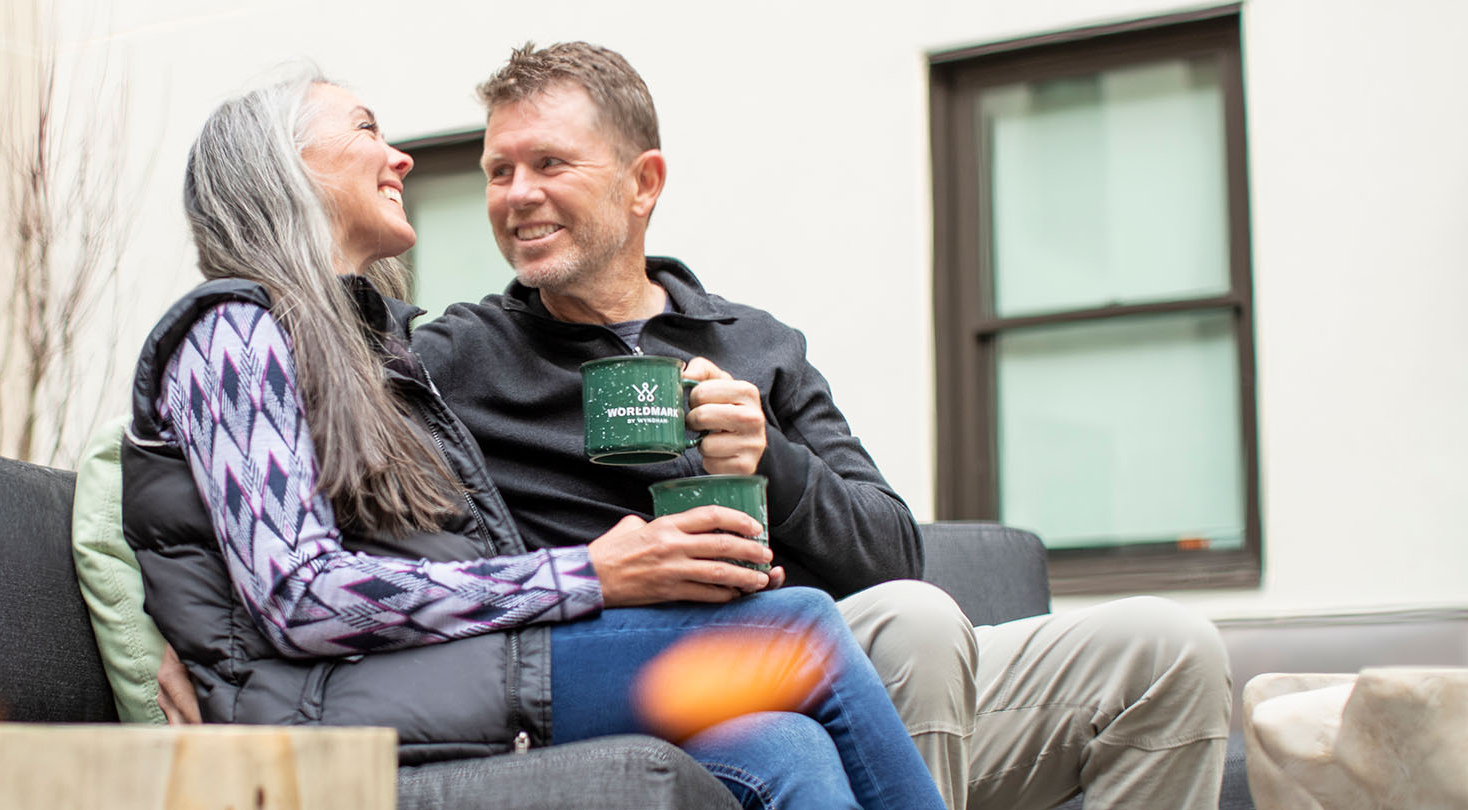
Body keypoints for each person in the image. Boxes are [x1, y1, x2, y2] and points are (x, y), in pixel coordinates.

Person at [410, 42, 1234, 810]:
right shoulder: (457, 359)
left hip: (866, 664)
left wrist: (777, 460)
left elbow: (892, 551)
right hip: (677, 676)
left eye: (548, 163)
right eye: (498, 171)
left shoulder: (757, 343)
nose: (517, 195)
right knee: (916, 625)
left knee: (1166, 647)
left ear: (644, 182)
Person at [120, 69, 947, 809]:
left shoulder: (365, 350)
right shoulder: (235, 326)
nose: (403, 158)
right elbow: (295, 592)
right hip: (345, 704)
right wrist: (595, 574)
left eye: (550, 164)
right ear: (287, 170)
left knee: (785, 745)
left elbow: (212, 495)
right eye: (367, 128)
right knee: (795, 632)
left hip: (436, 673)